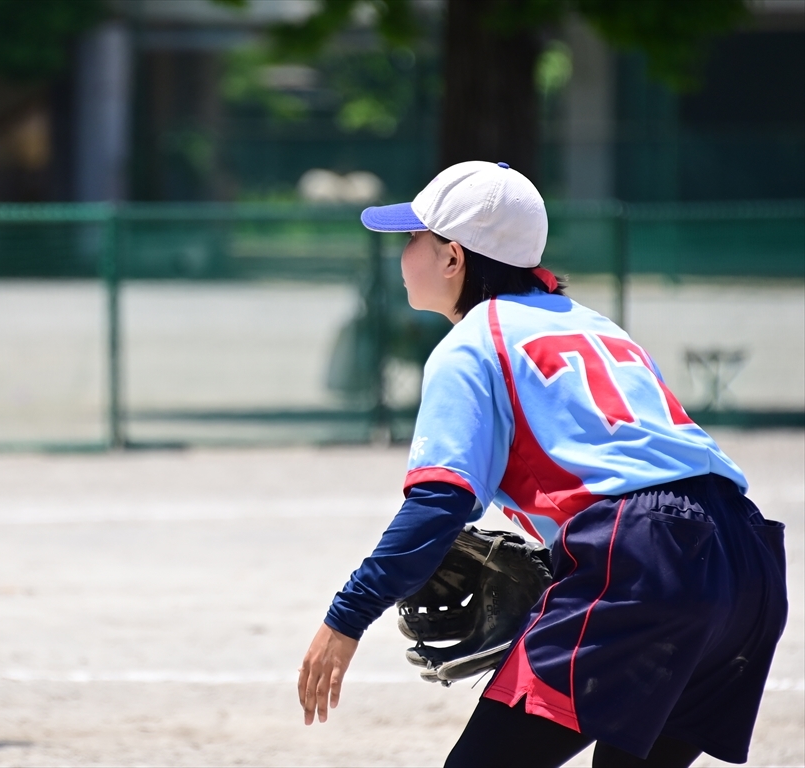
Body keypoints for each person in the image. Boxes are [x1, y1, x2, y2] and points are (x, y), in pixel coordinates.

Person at [296, 161, 788, 767]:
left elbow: (439, 504)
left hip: (640, 559)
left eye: (412, 239)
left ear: (453, 258)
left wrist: (345, 619)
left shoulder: (473, 343)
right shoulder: (601, 328)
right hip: (749, 560)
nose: (402, 255)